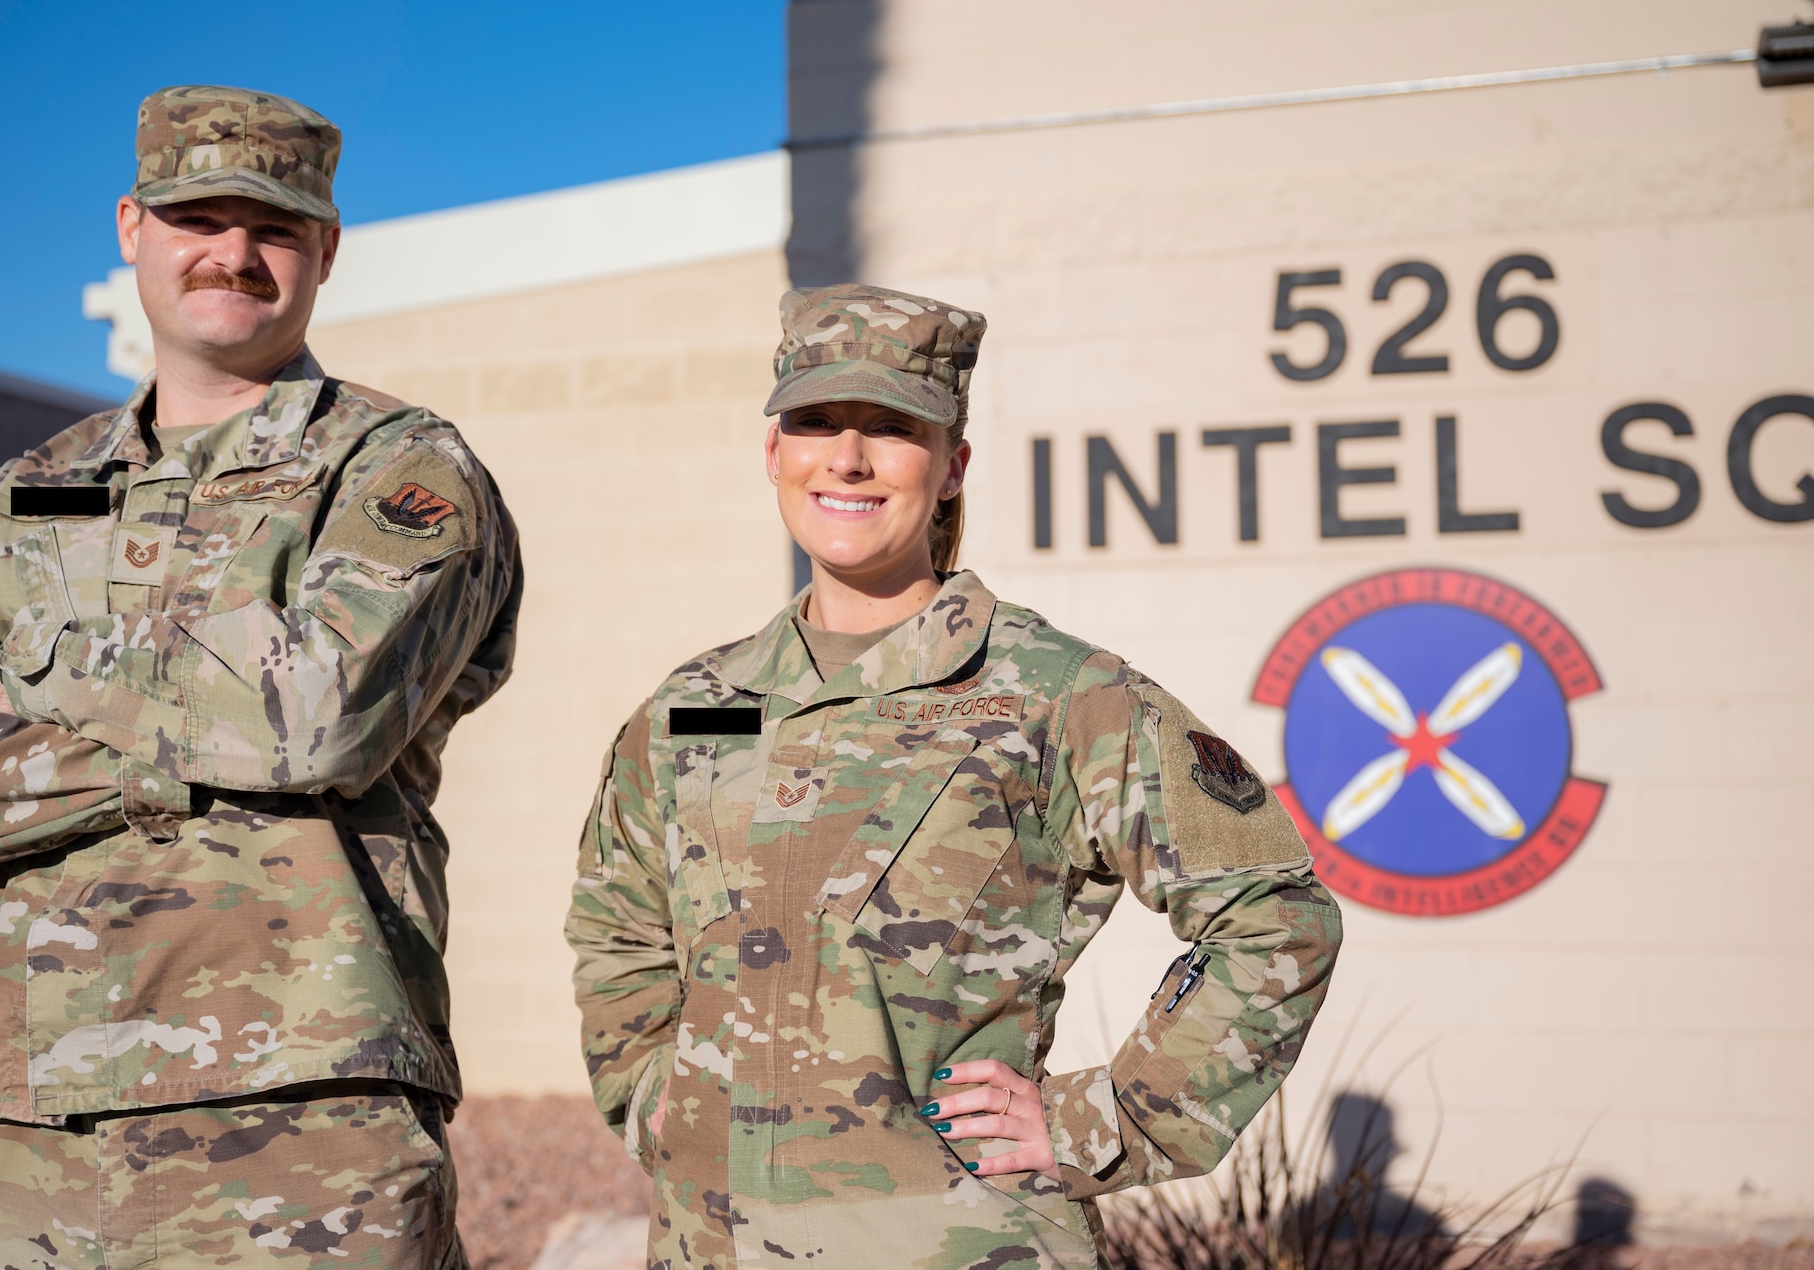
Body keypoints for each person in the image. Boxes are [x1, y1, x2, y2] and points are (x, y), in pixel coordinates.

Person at [0, 85, 521, 1269]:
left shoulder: (398, 471)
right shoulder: (9, 503)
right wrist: (197, 716)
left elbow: (315, 716)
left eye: (272, 226)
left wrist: (29, 692)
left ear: (324, 250)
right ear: (130, 227)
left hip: (303, 1122)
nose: (233, 254)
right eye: (197, 216)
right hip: (24, 1122)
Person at [567, 285, 1344, 1269]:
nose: (845, 457)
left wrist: (1103, 1118)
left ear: (950, 465)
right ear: (774, 453)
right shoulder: (692, 705)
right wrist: (652, 1094)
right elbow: (615, 918)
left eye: (890, 427)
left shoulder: (1053, 694)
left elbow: (1273, 908)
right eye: (814, 421)